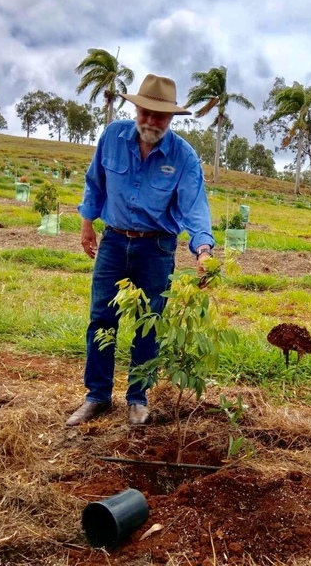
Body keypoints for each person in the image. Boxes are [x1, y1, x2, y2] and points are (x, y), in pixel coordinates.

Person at [66, 74, 215, 427]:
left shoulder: (183, 156)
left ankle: (137, 398)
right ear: (136, 108)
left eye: (159, 116)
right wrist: (88, 223)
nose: (150, 121)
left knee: (149, 323)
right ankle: (97, 396)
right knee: (102, 318)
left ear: (171, 119)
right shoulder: (113, 137)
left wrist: (204, 251)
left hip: (157, 248)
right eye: (145, 112)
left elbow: (195, 207)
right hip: (114, 241)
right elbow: (95, 183)